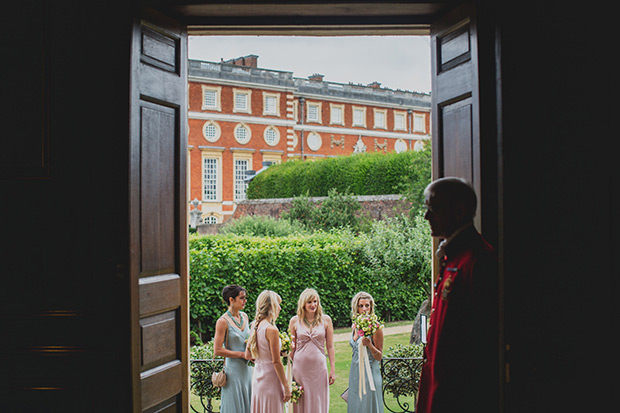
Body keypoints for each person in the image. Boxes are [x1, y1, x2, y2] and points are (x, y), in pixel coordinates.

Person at [416, 177, 499, 413]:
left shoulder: (478, 260)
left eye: (432, 209)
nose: (426, 217)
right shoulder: (454, 258)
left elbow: (482, 341)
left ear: (459, 211)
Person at [288, 288, 336, 413]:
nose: (313, 305)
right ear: (303, 303)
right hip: (300, 368)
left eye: (315, 301)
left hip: (319, 368)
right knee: (301, 399)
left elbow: (330, 346)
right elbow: (291, 349)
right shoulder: (294, 321)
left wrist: (333, 369)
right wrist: (289, 371)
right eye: (309, 302)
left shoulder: (326, 320)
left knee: (318, 398)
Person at [246, 290, 292, 412]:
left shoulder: (255, 326)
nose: (280, 308)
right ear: (272, 306)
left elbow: (247, 354)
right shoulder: (271, 330)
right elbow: (276, 362)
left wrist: (263, 356)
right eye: (278, 304)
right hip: (271, 380)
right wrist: (286, 386)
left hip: (258, 378)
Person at [213, 285, 253, 413]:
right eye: (241, 298)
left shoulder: (245, 317)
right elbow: (217, 350)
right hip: (233, 372)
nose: (245, 301)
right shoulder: (222, 321)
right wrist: (242, 355)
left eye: (245, 298)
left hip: (248, 370)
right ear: (231, 300)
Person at [347, 291, 384, 413]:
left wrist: (370, 345)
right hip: (355, 373)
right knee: (356, 406)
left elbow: (379, 356)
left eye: (367, 305)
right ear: (356, 308)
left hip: (370, 375)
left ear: (371, 307)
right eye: (361, 306)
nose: (364, 309)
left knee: (368, 407)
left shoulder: (376, 327)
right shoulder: (355, 326)